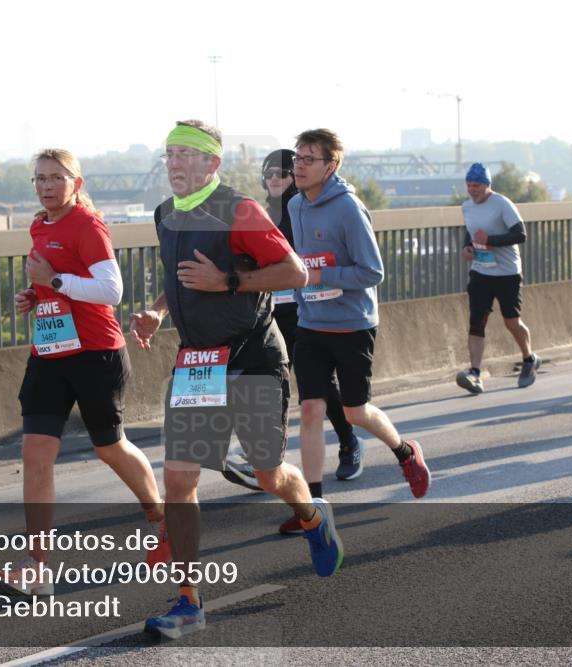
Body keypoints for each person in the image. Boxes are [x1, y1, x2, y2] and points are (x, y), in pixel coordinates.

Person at [132, 121, 343, 640]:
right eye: (169, 153)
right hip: (197, 364)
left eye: (186, 154)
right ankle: (187, 600)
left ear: (212, 164)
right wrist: (160, 311)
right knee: (180, 478)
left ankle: (313, 517)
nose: (174, 162)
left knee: (269, 474)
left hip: (252, 358)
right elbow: (182, 278)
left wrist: (228, 281)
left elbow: (294, 273)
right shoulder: (165, 215)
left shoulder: (240, 211)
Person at [0, 148, 166, 598]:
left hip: (95, 353)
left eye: (56, 177)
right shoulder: (39, 225)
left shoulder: (88, 225)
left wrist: (53, 282)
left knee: (110, 448)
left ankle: (162, 520)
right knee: (35, 453)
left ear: (77, 183)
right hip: (50, 352)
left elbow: (111, 290)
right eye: (39, 178)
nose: (46, 185)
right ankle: (37, 566)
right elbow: (54, 280)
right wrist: (35, 296)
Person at [223, 148, 366, 537]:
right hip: (268, 308)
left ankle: (349, 441)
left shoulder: (302, 207)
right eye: (269, 172)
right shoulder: (256, 210)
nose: (275, 177)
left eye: (283, 172)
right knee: (277, 386)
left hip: (305, 305)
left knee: (315, 388)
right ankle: (268, 461)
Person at [288, 128, 431, 510]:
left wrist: (321, 277)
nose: (298, 167)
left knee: (355, 412)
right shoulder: (294, 205)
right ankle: (313, 505)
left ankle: (404, 452)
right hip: (311, 323)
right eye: (296, 158)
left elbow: (372, 272)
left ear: (330, 165)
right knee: (310, 409)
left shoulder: (349, 208)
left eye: (308, 160)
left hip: (352, 324)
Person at [456, 162, 540, 393]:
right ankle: (474, 373)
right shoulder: (467, 207)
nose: (473, 190)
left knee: (511, 321)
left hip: (507, 273)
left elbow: (520, 234)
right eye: (469, 185)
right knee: (476, 321)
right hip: (481, 271)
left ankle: (529, 358)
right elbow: (471, 233)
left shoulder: (502, 204)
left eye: (477, 186)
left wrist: (490, 240)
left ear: (487, 185)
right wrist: (467, 249)